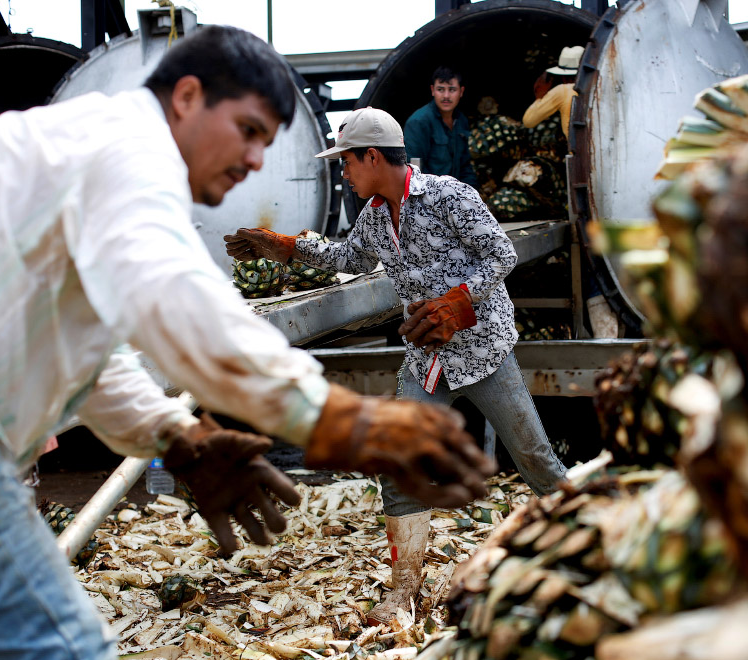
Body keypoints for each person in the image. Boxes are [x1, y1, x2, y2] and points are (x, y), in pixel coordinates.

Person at [0, 27, 494, 660]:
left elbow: (86, 352)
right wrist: (338, 419)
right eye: (250, 130)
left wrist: (172, 435)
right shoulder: (126, 153)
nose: (257, 159)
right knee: (62, 646)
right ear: (188, 96)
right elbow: (175, 301)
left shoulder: (90, 157)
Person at [225, 107, 568, 626]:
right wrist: (289, 248)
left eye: (347, 163)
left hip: (483, 351)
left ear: (372, 156)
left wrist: (459, 302)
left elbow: (500, 254)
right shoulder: (374, 215)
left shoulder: (448, 196)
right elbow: (351, 259)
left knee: (535, 459)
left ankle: (600, 547)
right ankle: (403, 592)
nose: (344, 173)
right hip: (427, 357)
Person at [522, 45, 619, 338]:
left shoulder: (565, 91)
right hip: (612, 173)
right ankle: (618, 323)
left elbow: (528, 120)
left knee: (587, 250)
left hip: (584, 175)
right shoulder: (605, 86)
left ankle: (603, 332)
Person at [403, 66, 479, 187]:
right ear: (432, 90)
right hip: (428, 197)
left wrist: (472, 197)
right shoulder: (419, 122)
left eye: (452, 90)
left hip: (455, 196)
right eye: (441, 89)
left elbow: (465, 166)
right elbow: (413, 172)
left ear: (461, 92)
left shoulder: (461, 121)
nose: (446, 96)